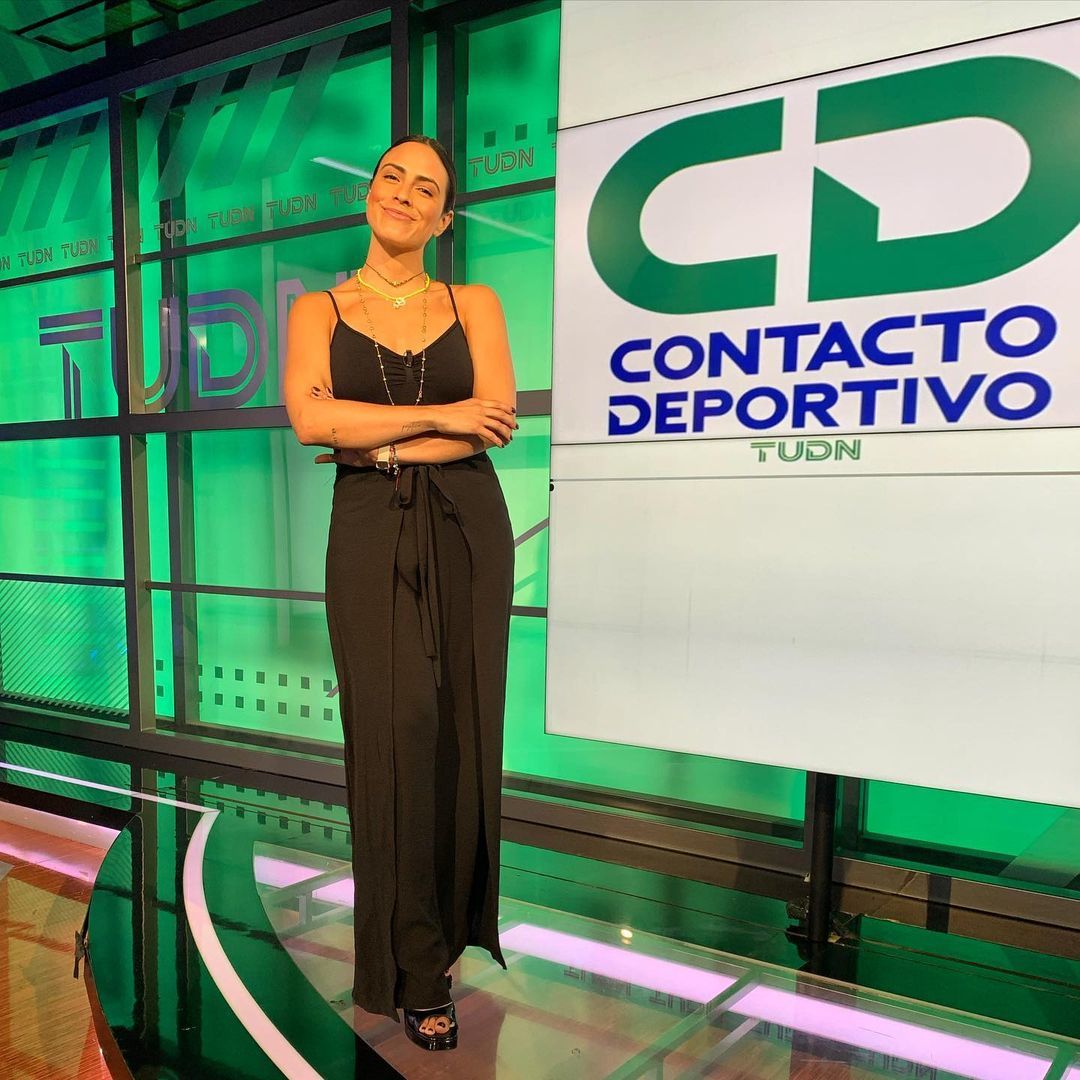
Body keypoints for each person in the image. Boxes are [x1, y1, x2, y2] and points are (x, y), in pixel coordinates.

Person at [283, 134, 518, 1052]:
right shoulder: (318, 309)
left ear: (443, 217)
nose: (405, 195)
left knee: (460, 732)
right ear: (369, 194)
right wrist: (436, 418)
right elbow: (309, 417)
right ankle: (410, 965)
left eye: (427, 189)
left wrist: (372, 439)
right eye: (393, 178)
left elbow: (491, 422)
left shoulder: (474, 303)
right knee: (393, 735)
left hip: (468, 526)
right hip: (368, 530)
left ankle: (444, 944)